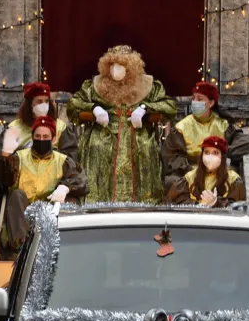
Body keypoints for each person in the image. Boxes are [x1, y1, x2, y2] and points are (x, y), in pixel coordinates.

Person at [66, 45, 177, 203]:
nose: (115, 70)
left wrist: (145, 108)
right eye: (111, 66)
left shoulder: (149, 86)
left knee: (145, 150)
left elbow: (169, 107)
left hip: (137, 136)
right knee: (97, 147)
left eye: (120, 66)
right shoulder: (94, 86)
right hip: (104, 135)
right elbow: (73, 104)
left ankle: (143, 207)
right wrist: (94, 108)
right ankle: (98, 207)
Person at [0, 116, 88, 249]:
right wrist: (4, 155)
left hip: (51, 217)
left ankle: (64, 245)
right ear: (32, 137)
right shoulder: (19, 158)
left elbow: (81, 180)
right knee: (16, 194)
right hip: (23, 218)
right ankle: (23, 249)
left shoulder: (63, 161)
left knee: (71, 200)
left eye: (46, 136)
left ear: (54, 139)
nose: (41, 140)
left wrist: (65, 187)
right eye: (38, 136)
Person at [161, 81, 249, 192]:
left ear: (211, 103)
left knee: (235, 182)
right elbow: (172, 157)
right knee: (172, 182)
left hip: (218, 172)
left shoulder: (223, 125)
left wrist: (221, 153)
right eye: (193, 98)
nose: (194, 102)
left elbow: (244, 141)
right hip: (191, 172)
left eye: (199, 99)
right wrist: (196, 171)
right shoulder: (181, 127)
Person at [167, 136, 246, 207]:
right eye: (207, 152)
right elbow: (174, 203)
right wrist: (199, 205)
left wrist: (216, 203)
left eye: (215, 153)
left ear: (223, 157)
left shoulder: (234, 180)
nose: (210, 157)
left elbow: (237, 209)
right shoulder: (189, 178)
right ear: (202, 155)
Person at [8, 82, 78, 160]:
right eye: (39, 101)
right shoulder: (14, 127)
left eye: (47, 101)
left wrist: (51, 152)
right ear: (30, 104)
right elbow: (6, 158)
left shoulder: (61, 127)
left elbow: (71, 157)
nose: (44, 105)